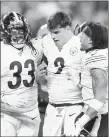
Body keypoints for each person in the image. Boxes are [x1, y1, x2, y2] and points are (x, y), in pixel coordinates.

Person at [36, 11, 85, 136]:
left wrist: (78, 78)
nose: (52, 36)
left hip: (75, 106)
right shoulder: (46, 42)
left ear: (68, 28)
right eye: (51, 32)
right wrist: (39, 77)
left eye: (57, 32)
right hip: (52, 107)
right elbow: (43, 81)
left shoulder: (81, 44)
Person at [1, 11, 44, 136]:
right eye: (14, 30)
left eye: (21, 29)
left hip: (30, 114)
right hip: (6, 114)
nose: (19, 33)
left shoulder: (35, 48)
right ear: (5, 31)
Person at [74, 21, 108, 136]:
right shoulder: (99, 54)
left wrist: (81, 122)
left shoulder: (95, 58)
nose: (79, 36)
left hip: (98, 117)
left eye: (82, 34)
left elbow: (100, 98)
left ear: (91, 40)